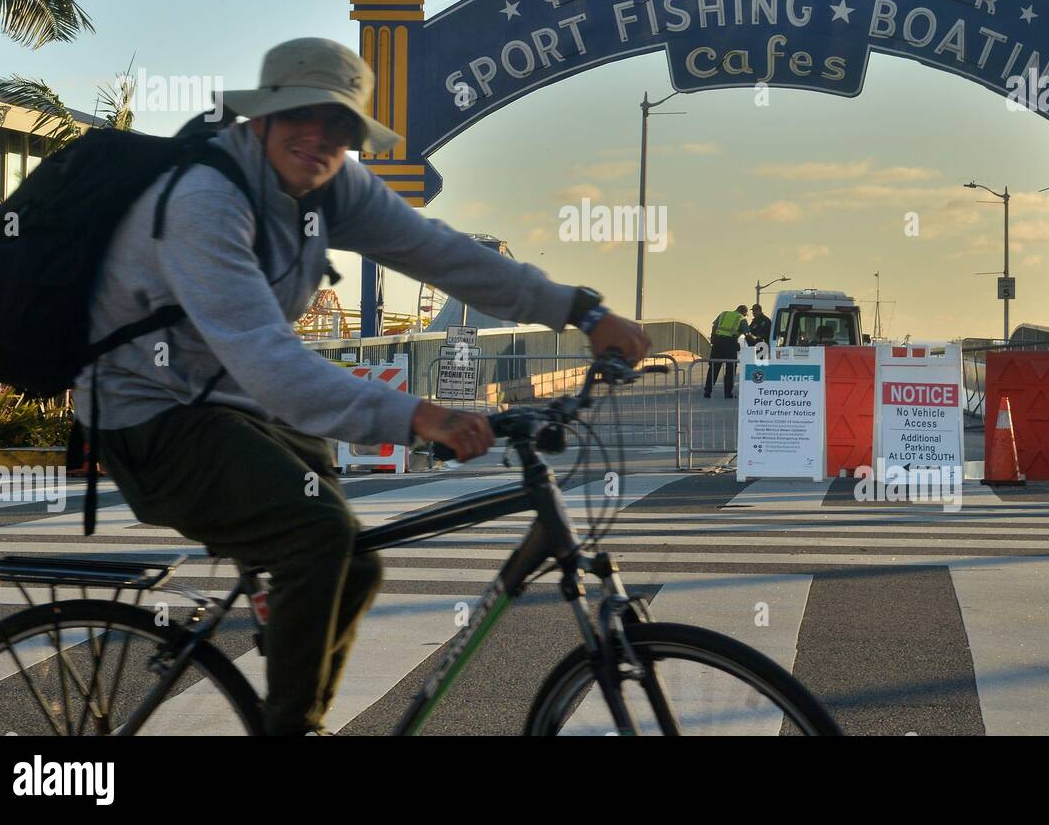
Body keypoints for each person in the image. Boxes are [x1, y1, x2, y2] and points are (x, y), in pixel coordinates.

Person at [75, 37, 649, 736]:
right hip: (145, 411)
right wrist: (419, 415)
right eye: (300, 116)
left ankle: (295, 699)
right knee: (318, 534)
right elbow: (270, 360)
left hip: (224, 402)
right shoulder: (205, 201)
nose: (318, 137)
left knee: (356, 562)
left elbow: (442, 252)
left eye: (339, 124)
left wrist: (580, 310)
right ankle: (291, 728)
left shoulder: (333, 181)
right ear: (261, 119)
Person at [703, 304, 748, 398]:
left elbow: (714, 326)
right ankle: (728, 393)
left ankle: (707, 391)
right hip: (730, 345)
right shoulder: (741, 319)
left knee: (713, 368)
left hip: (717, 344)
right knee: (730, 369)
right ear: (744, 313)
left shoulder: (724, 314)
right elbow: (747, 333)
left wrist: (713, 338)